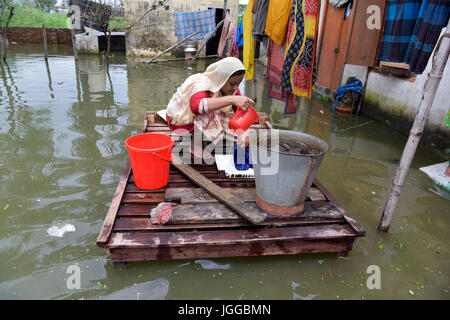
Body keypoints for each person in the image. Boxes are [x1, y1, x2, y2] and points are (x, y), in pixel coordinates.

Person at [166, 57, 255, 155]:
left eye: (238, 84)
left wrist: (246, 131)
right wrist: (231, 99)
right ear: (222, 78)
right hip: (180, 118)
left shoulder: (231, 88)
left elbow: (241, 111)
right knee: (210, 109)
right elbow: (196, 107)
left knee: (230, 124)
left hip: (197, 116)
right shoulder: (202, 82)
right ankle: (195, 146)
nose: (235, 87)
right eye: (233, 83)